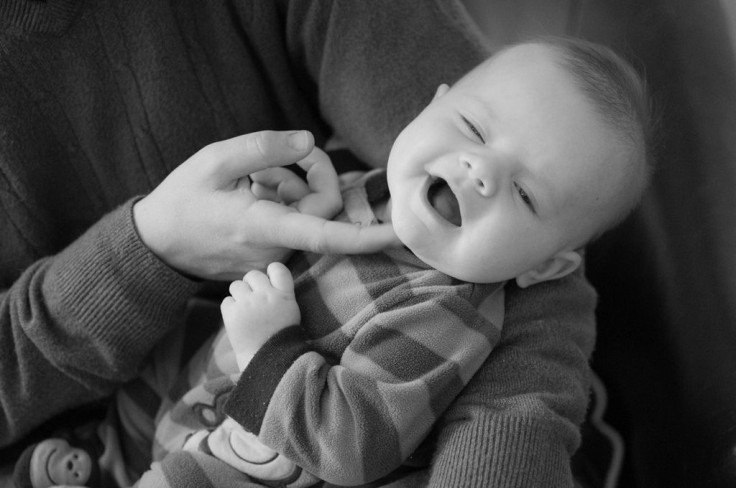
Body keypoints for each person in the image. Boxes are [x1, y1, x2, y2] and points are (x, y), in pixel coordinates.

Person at [0, 2, 614, 486]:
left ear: (546, 266)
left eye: (527, 196)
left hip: (250, 455)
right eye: (474, 129)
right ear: (434, 102)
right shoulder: (372, 186)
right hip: (180, 397)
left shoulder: (449, 314)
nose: (481, 169)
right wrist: (255, 217)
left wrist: (270, 344)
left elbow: (354, 445)